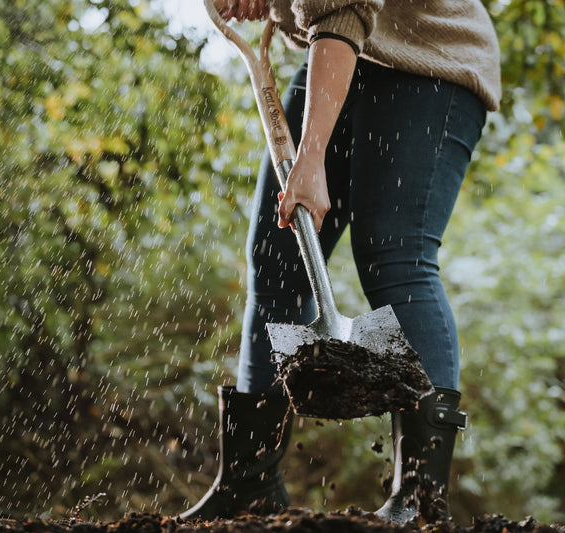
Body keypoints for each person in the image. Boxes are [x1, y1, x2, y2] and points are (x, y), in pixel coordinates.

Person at [180, 0, 501, 524]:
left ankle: (419, 500)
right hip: (346, 48)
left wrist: (311, 159)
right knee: (277, 257)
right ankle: (249, 483)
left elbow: (342, 11)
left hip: (430, 55)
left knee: (394, 256)